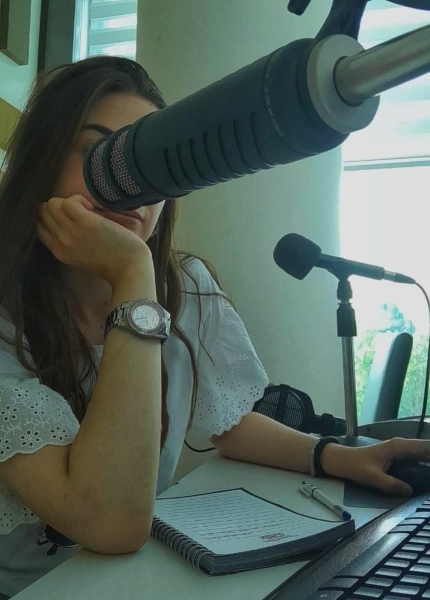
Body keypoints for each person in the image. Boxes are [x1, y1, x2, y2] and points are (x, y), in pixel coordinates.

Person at [0, 55, 428, 598]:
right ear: (41, 162)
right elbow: (110, 523)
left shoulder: (186, 286)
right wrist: (132, 275)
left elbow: (228, 420)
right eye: (97, 154)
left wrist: (338, 456)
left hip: (136, 580)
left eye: (147, 163)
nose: (128, 186)